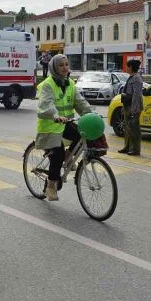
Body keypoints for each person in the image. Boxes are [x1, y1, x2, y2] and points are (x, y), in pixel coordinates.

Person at [35, 54, 93, 201]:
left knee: (83, 134)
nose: (64, 67)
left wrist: (91, 114)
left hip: (65, 124)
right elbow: (46, 104)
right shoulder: (48, 84)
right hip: (50, 126)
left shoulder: (70, 83)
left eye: (66, 64)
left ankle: (69, 155)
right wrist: (55, 115)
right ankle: (51, 186)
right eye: (60, 65)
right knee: (57, 155)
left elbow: (80, 102)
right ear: (54, 67)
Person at [118, 59, 143, 156]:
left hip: (133, 107)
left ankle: (135, 149)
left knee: (134, 129)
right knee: (128, 128)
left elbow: (137, 95)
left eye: (127, 66)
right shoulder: (131, 77)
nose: (126, 68)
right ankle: (127, 147)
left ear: (131, 67)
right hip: (128, 105)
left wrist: (134, 109)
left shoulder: (137, 78)